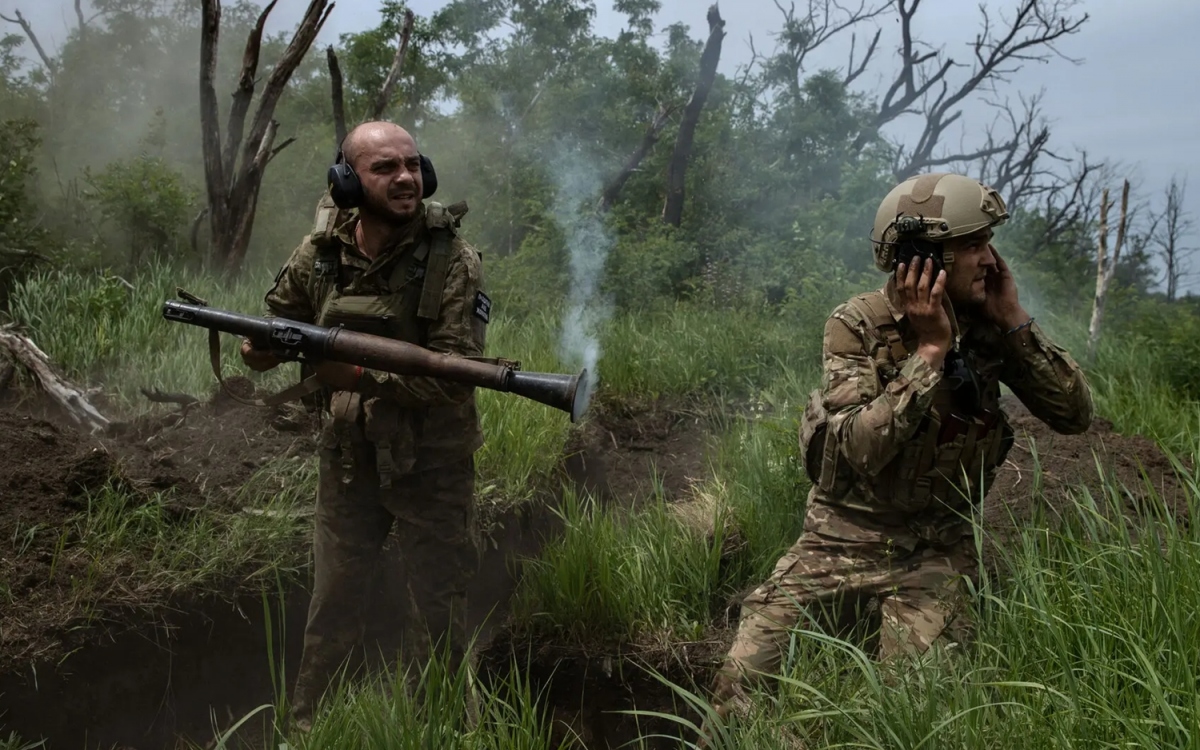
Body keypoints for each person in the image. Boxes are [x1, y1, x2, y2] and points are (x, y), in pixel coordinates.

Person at [708, 172, 1094, 722]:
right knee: (738, 688)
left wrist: (1013, 320)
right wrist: (931, 351)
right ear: (923, 258)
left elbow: (1074, 416)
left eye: (988, 242)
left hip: (936, 548)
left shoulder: (990, 325)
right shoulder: (857, 324)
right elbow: (859, 450)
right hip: (840, 538)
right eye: (972, 245)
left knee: (916, 711)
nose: (989, 259)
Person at [240, 121, 491, 731]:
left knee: (439, 609)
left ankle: (447, 731)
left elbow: (455, 378)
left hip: (432, 461)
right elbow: (277, 321)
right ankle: (309, 731)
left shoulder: (452, 261)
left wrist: (356, 374)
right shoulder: (320, 252)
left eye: (412, 165)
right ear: (348, 181)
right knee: (332, 604)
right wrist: (261, 349)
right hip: (348, 453)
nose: (405, 178)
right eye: (385, 168)